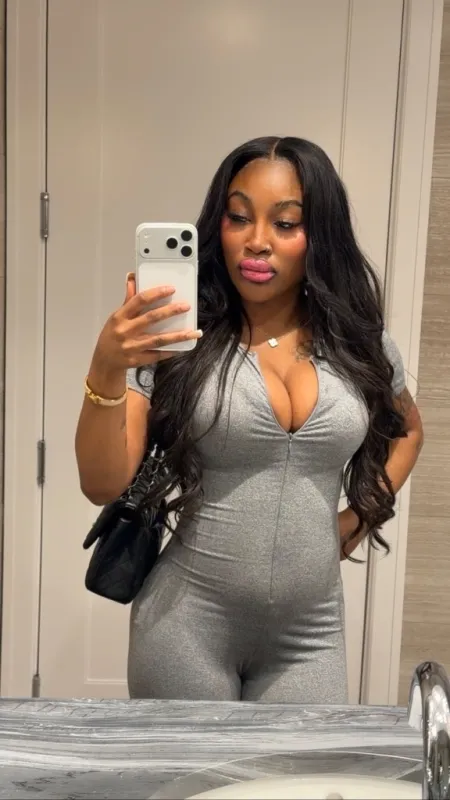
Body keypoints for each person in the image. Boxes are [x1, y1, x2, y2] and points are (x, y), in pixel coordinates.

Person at [75, 136, 424, 703]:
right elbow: (102, 483)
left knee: (300, 764)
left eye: (285, 223)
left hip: (311, 636)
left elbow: (408, 432)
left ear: (320, 236)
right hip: (187, 625)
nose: (256, 241)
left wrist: (358, 519)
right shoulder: (178, 338)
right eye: (238, 217)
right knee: (192, 768)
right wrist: (107, 366)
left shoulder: (359, 340)